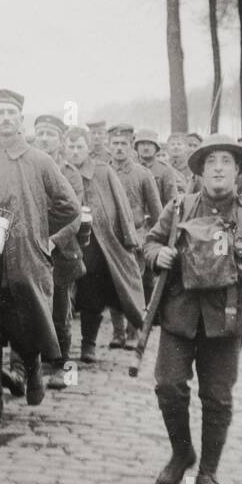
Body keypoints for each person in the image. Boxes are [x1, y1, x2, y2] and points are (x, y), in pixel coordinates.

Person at [145, 135, 242, 484]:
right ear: (201, 171)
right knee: (168, 387)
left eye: (226, 161)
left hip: (226, 317)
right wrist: (156, 254)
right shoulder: (180, 208)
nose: (218, 168)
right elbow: (150, 240)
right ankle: (181, 454)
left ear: (238, 171)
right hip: (180, 314)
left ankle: (208, 471)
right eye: (211, 162)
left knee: (217, 396)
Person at [0, 88, 79, 424]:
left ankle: (33, 369)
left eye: (12, 113)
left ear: (21, 120)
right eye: (0, 113)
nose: (6, 118)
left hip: (27, 259)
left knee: (28, 324)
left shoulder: (40, 161)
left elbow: (69, 208)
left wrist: (41, 234)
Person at [62, 127, 146, 365]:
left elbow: (121, 206)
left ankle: (88, 344)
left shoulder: (103, 171)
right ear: (64, 148)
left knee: (92, 294)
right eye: (71, 147)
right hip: (66, 243)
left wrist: (128, 240)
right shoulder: (58, 171)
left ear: (89, 148)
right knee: (62, 295)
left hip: (97, 245)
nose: (75, 152)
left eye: (80, 147)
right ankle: (60, 346)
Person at [32, 114, 85, 389]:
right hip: (30, 248)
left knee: (60, 312)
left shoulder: (70, 173)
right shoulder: (27, 166)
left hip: (61, 250)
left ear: (61, 140)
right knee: (29, 308)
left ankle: (64, 368)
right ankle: (29, 366)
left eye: (50, 134)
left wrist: (53, 240)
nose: (44, 138)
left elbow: (76, 216)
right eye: (40, 132)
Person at [106, 123, 162, 350]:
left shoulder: (143, 174)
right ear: (109, 147)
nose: (119, 148)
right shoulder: (102, 172)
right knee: (112, 284)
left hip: (135, 237)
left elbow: (158, 210)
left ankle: (132, 331)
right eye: (115, 144)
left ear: (132, 147)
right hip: (110, 237)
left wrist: (152, 239)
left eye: (124, 144)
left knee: (132, 283)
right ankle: (118, 332)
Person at [135, 128, 180, 207]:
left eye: (149, 144)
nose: (146, 147)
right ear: (137, 147)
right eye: (142, 144)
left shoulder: (165, 170)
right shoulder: (132, 169)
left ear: (156, 147)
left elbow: (172, 201)